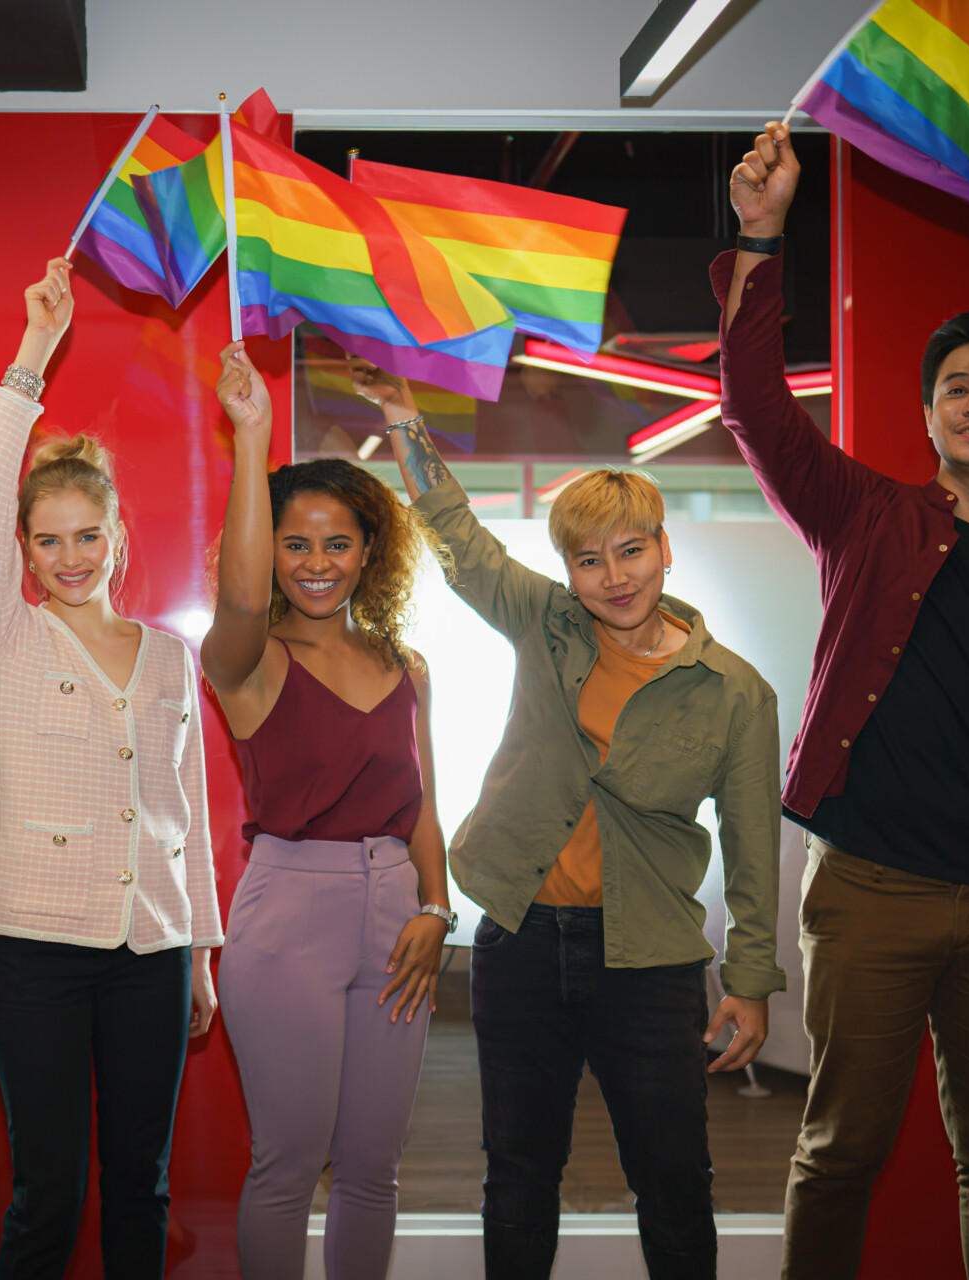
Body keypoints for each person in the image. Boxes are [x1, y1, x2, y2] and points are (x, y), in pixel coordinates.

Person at [719, 124, 969, 1280]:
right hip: (872, 893)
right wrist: (759, 231)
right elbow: (752, 400)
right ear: (930, 414)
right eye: (955, 387)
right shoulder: (867, 516)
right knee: (838, 1151)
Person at [358, 358, 785, 1280]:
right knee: (517, 1174)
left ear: (665, 549)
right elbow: (460, 540)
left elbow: (755, 850)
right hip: (520, 941)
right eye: (588, 559)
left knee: (672, 1177)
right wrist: (402, 419)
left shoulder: (735, 694)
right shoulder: (544, 623)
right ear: (569, 570)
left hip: (652, 962)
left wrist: (749, 982)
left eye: (631, 550)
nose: (612, 575)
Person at [0, 258, 224, 1277]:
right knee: (47, 1190)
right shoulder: (8, 639)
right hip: (38, 950)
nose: (71, 555)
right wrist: (32, 352)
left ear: (116, 539)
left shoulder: (169, 653)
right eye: (50, 539)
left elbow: (186, 810)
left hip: (152, 949)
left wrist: (199, 946)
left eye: (88, 535)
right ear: (25, 551)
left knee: (140, 1184)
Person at [203, 341, 455, 1280]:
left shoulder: (407, 667)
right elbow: (235, 590)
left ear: (368, 552)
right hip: (288, 914)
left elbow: (423, 806)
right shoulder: (250, 658)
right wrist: (252, 435)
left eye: (337, 542)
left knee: (373, 1172)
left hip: (396, 916)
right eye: (294, 542)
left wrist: (436, 909)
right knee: (287, 1165)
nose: (316, 563)